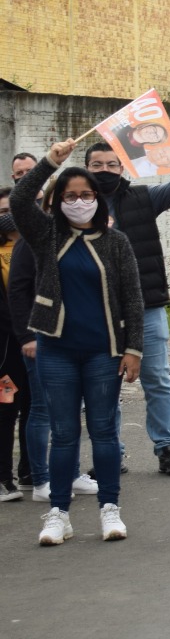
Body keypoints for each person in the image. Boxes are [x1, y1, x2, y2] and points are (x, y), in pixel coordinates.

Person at [13, 138, 143, 546]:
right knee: (64, 433)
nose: (79, 201)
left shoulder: (115, 242)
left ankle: (110, 508)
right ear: (57, 201)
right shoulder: (47, 236)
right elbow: (18, 200)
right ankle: (58, 514)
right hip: (56, 350)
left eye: (86, 195)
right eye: (70, 196)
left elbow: (132, 298)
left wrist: (134, 349)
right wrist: (51, 162)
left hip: (104, 353)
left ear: (97, 199)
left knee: (104, 430)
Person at [84, 134, 170, 476]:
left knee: (158, 380)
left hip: (146, 307)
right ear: (85, 169)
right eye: (96, 165)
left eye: (111, 164)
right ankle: (110, 453)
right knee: (103, 386)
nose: (104, 170)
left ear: (122, 168)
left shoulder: (142, 199)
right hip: (96, 312)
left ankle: (167, 448)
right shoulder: (74, 207)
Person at [7, 164, 99, 502]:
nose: (76, 204)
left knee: (71, 410)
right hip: (40, 339)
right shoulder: (32, 240)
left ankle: (72, 473)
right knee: (43, 410)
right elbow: (18, 291)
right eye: (67, 198)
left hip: (74, 338)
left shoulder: (76, 238)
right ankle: (42, 480)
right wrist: (27, 337)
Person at [0, 188, 31, 502]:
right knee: (5, 410)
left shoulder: (32, 247)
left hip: (33, 345)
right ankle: (2, 478)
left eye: (11, 209)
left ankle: (29, 472)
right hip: (6, 351)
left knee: (32, 409)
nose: (7, 216)